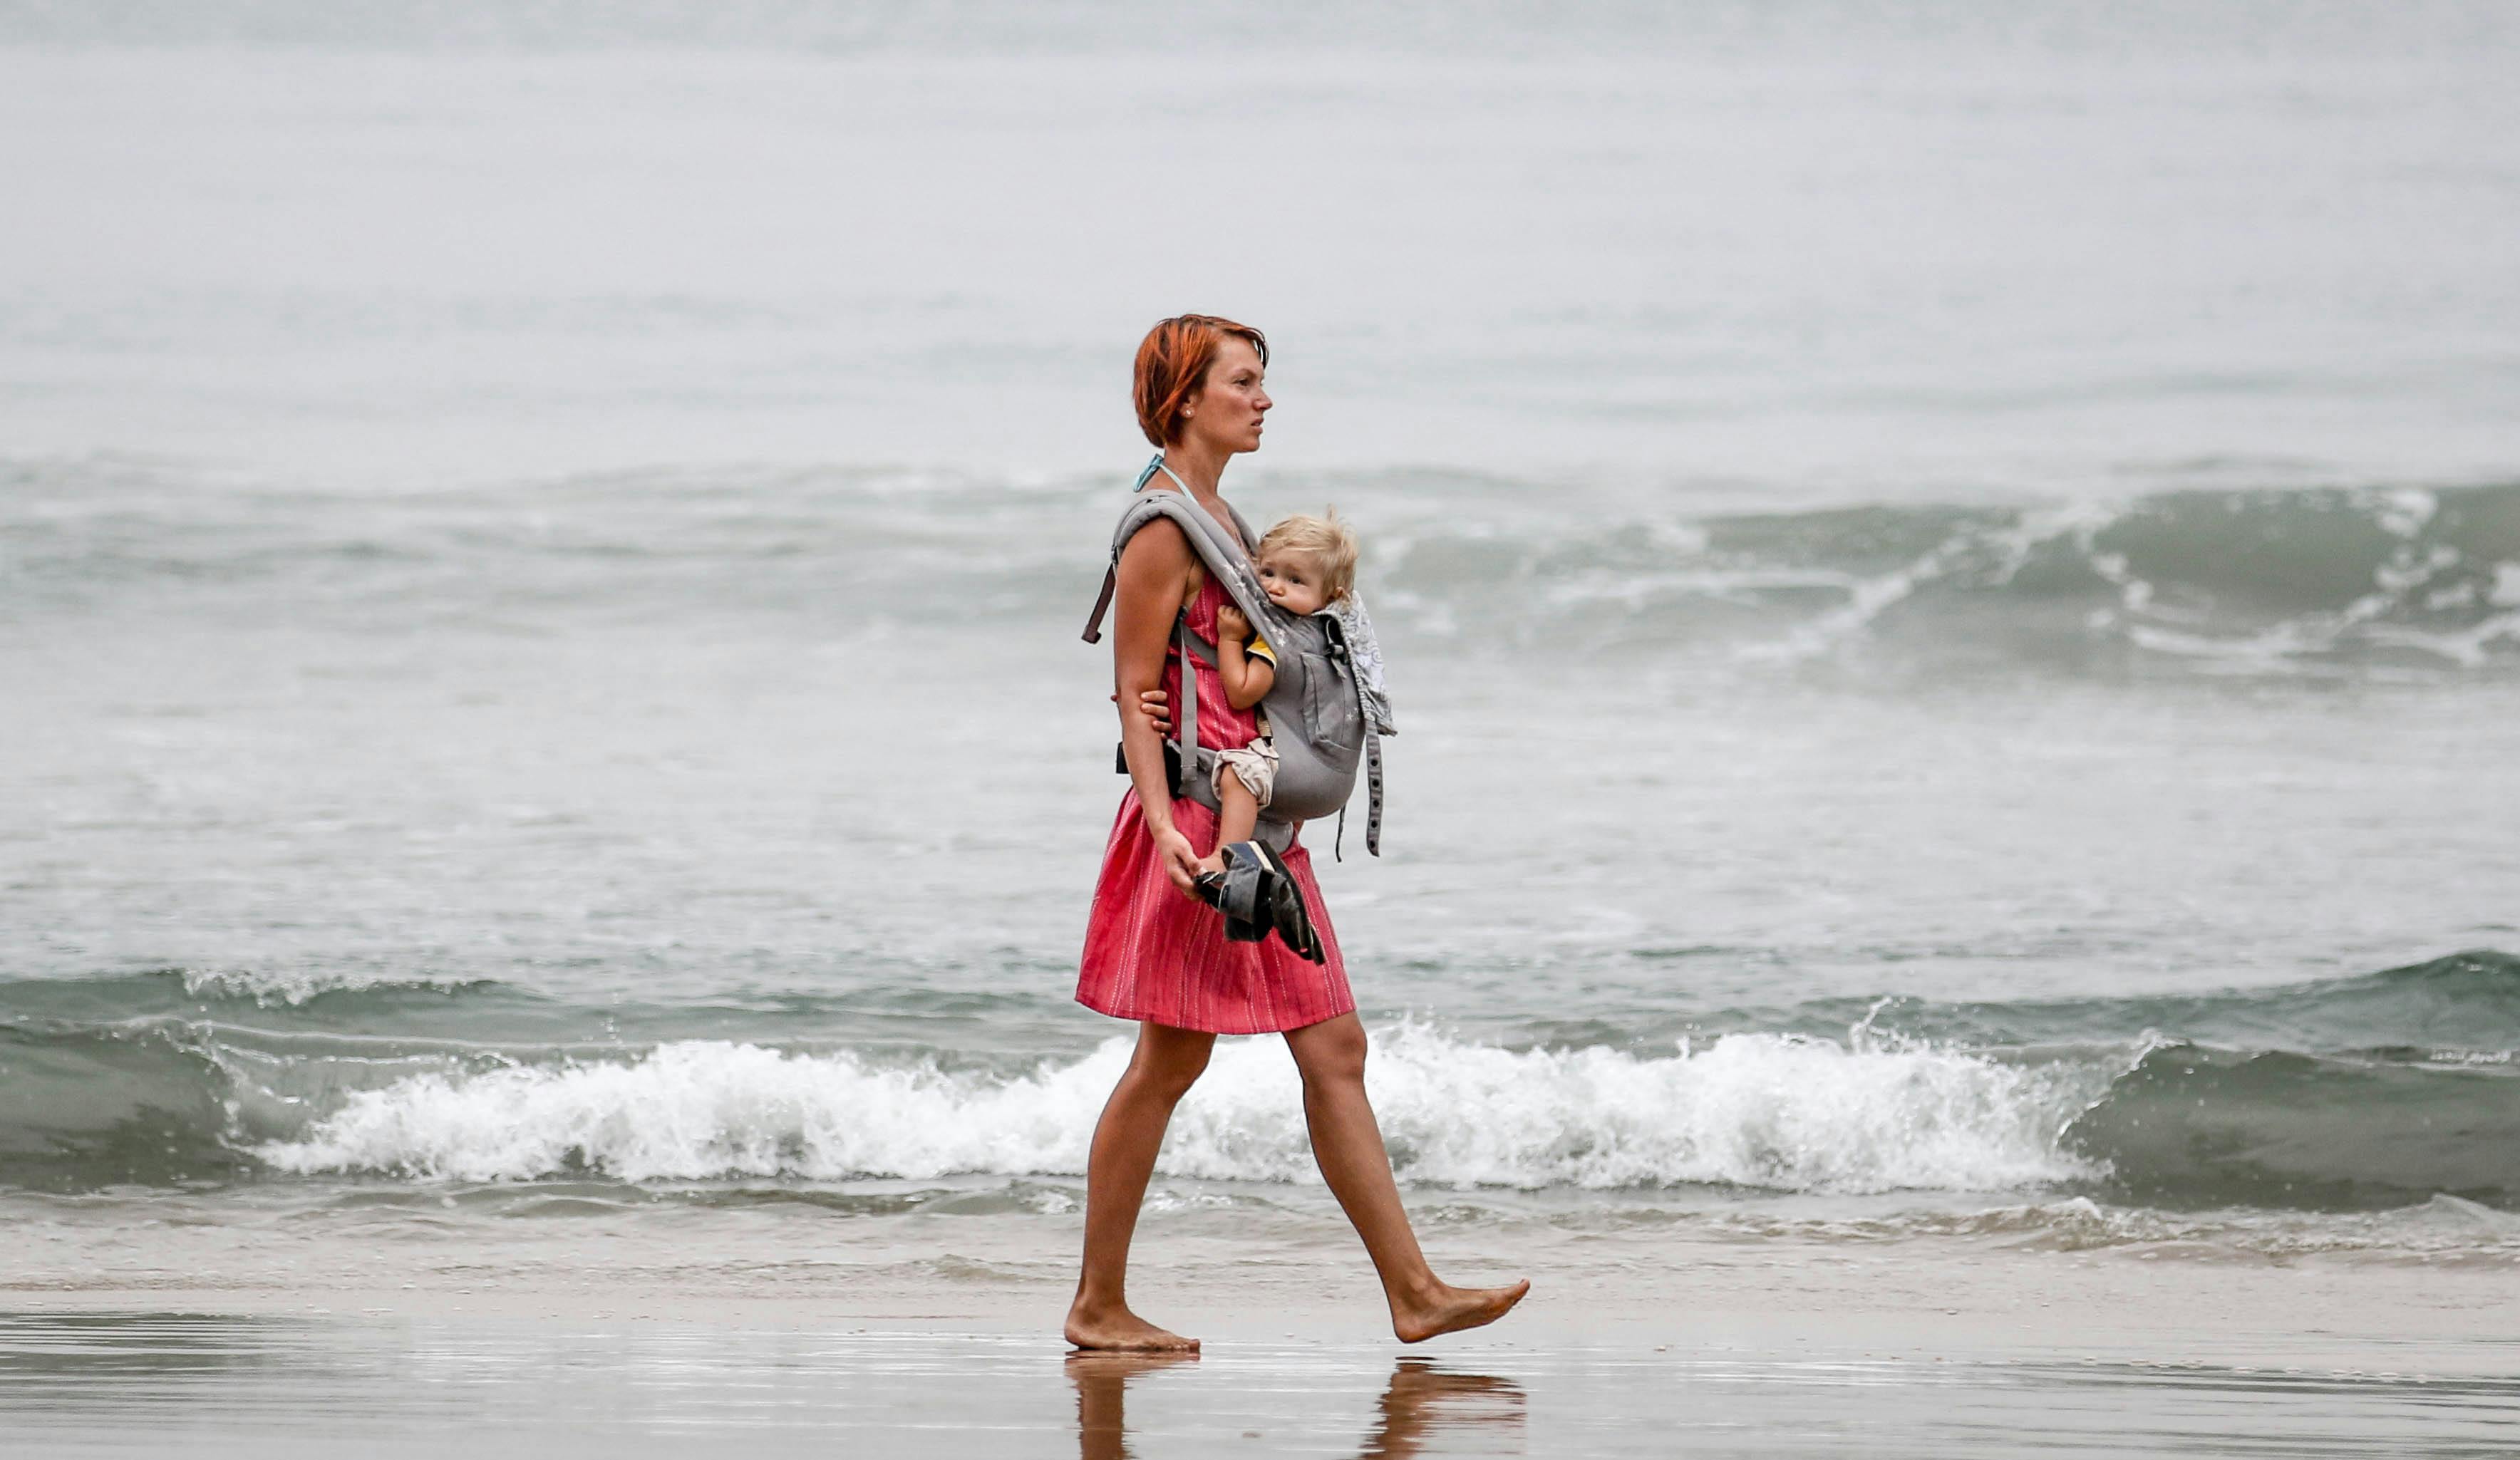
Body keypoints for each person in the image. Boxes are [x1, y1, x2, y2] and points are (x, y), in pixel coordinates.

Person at [1068, 314, 1529, 1352]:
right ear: (1186, 398)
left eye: (1264, 381)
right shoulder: (1161, 527)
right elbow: (1134, 693)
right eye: (1244, 381)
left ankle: (1413, 1291)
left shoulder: (1224, 519)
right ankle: (1099, 1303)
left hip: (1256, 830)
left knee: (1329, 1047)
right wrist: (1163, 828)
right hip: (1203, 832)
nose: (1265, 398)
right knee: (1171, 1064)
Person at [1201, 512, 1357, 875]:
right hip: (1333, 776)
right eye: (1268, 572)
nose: (1276, 588)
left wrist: (1229, 639)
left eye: (1295, 580)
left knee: (1239, 772)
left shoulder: (1276, 639)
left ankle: (1225, 858)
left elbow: (1242, 692)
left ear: (1330, 596)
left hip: (1304, 779)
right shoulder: (1329, 635)